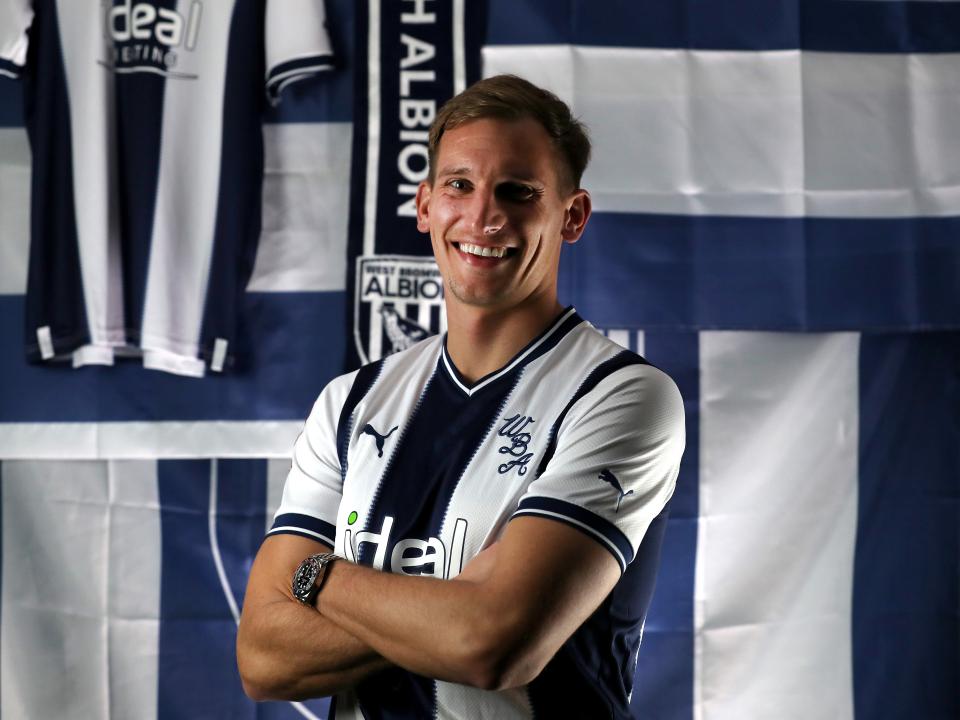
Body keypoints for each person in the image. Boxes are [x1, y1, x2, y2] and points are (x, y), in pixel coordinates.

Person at [237, 74, 685, 719]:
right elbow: (263, 658)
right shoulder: (351, 403)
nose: (483, 217)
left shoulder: (619, 396)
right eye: (459, 186)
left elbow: (493, 644)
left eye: (519, 192)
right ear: (425, 206)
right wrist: (457, 601)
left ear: (573, 215)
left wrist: (315, 578)